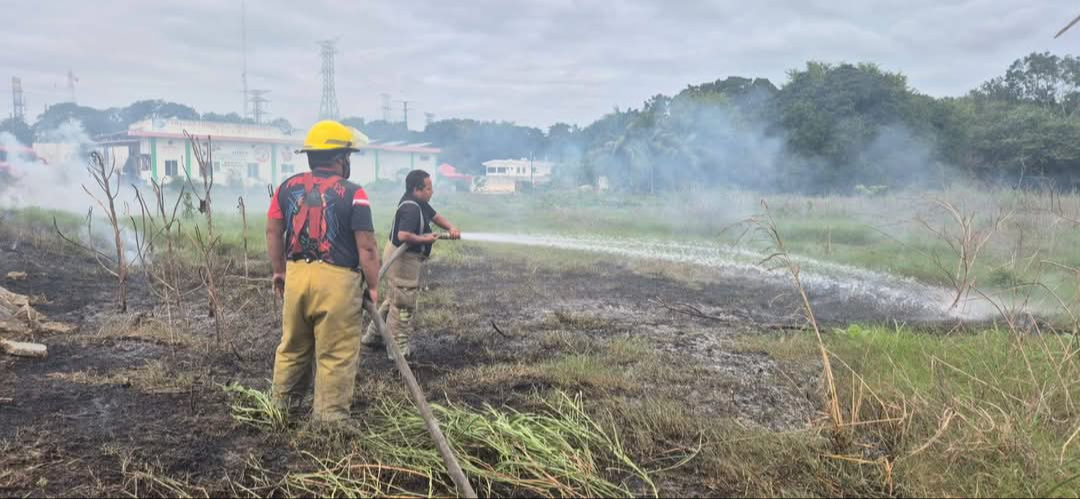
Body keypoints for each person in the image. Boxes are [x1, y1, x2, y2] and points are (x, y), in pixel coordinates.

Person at [265, 120, 380, 422]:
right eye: (348, 156)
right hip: (337, 282)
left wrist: (279, 272)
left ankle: (279, 411)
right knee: (336, 354)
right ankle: (330, 424)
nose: (349, 162)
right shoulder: (355, 194)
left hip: (296, 277)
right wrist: (374, 286)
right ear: (340, 157)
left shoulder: (285, 189)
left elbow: (273, 231)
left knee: (292, 347)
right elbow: (366, 247)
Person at [362, 169, 460, 358]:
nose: (432, 192)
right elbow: (403, 236)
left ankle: (373, 337)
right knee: (403, 301)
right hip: (402, 259)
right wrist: (426, 239)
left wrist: (451, 228)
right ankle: (397, 349)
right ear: (417, 189)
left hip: (402, 257)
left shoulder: (420, 203)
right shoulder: (411, 208)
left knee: (394, 298)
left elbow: (435, 216)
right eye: (429, 188)